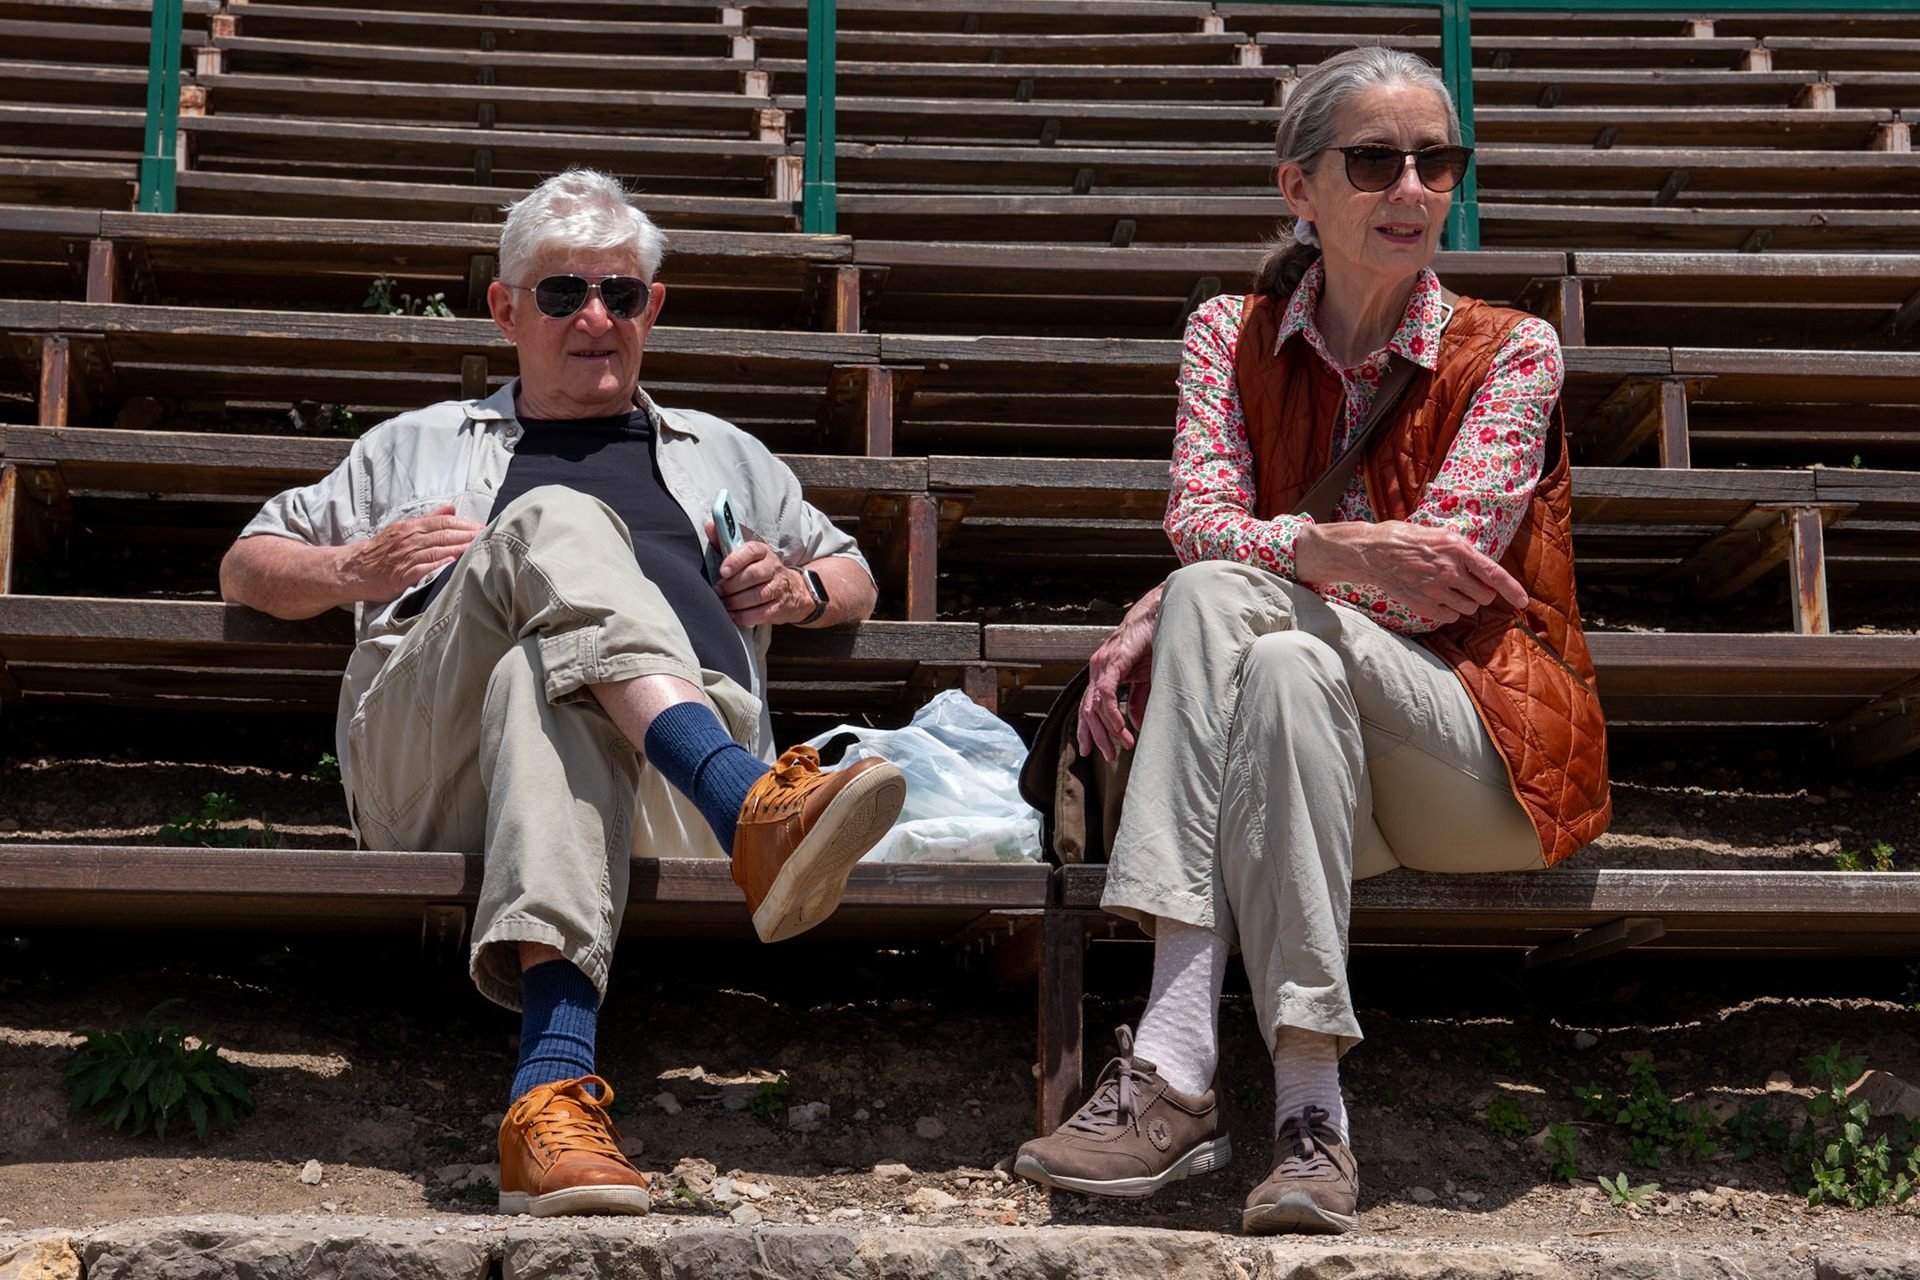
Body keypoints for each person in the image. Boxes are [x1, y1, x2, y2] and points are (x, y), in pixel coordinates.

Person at [220, 168, 907, 1218]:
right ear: (506, 310)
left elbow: (851, 569)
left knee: (543, 676)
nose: (596, 317)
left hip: (652, 800)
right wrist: (353, 567)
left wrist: (799, 589)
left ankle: (549, 1100)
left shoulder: (723, 453)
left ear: (652, 308)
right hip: (438, 773)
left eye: (620, 294)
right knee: (553, 520)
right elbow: (247, 563)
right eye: (562, 293)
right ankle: (747, 801)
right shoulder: (416, 444)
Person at [1011, 47, 1610, 1235]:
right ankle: (1308, 1109)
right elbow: (1199, 517)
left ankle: (1173, 1059)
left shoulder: (1514, 348)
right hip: (1305, 782)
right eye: (1375, 161)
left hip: (1477, 755)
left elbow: (1435, 587)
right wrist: (1323, 552)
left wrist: (1224, 577)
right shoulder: (1223, 334)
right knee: (1278, 658)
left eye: (1438, 160)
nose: (1413, 188)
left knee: (1210, 597)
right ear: (1301, 188)